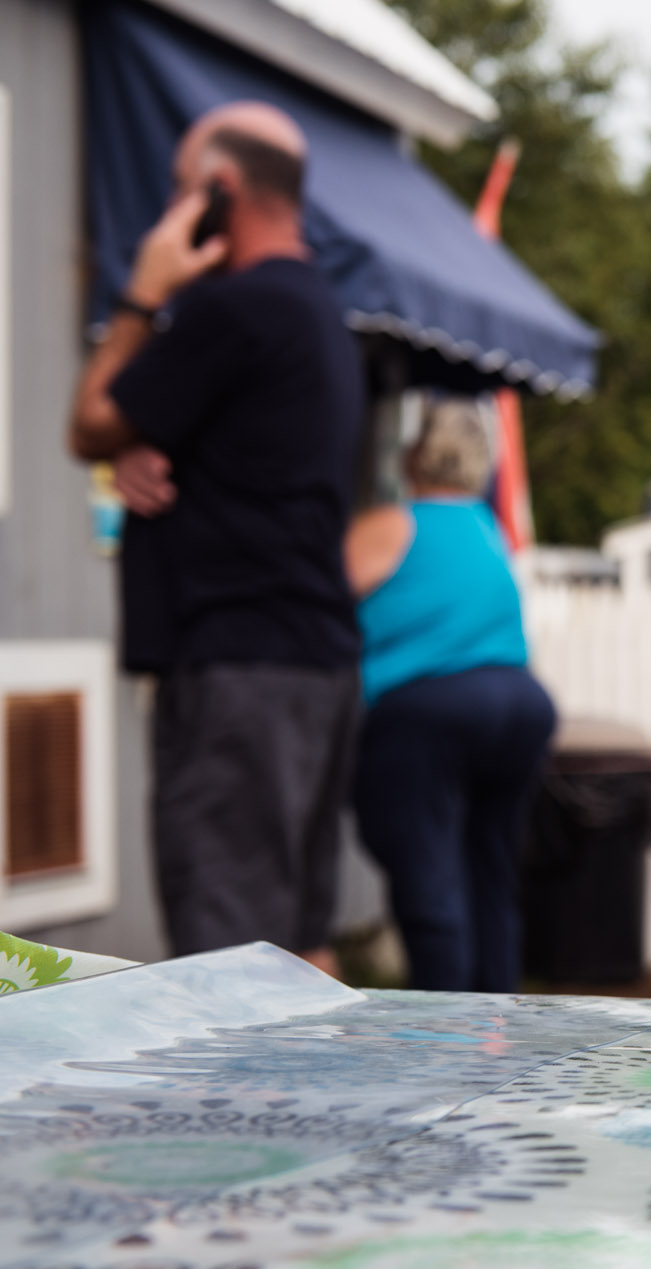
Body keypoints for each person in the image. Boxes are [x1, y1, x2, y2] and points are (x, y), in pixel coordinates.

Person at [68, 102, 364, 972]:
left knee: (224, 965)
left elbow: (88, 422)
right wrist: (150, 442)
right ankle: (322, 1114)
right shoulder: (320, 313)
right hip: (319, 663)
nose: (169, 216)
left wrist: (140, 294)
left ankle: (231, 1117)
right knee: (304, 945)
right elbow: (199, 438)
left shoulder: (229, 310)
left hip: (238, 671)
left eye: (177, 194)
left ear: (216, 190)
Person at [345, 398, 556, 992]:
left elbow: (316, 604)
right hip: (520, 703)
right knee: (490, 874)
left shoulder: (392, 522)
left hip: (430, 709)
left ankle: (447, 1040)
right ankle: (497, 1024)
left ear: (413, 457)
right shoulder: (488, 528)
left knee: (427, 877)